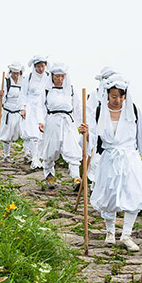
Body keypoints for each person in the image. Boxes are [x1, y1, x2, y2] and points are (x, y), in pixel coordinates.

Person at [80, 78, 142, 251]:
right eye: (113, 96)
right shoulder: (100, 110)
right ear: (107, 94)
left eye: (120, 97)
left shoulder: (134, 111)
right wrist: (85, 133)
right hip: (109, 157)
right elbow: (93, 138)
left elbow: (141, 135)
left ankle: (126, 235)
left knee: (133, 194)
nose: (117, 100)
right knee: (109, 195)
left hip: (129, 158)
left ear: (125, 96)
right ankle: (110, 232)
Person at [38, 62, 82, 192]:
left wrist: (80, 125)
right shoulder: (46, 90)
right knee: (51, 150)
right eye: (57, 76)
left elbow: (77, 108)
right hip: (52, 121)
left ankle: (76, 178)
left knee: (72, 149)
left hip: (68, 122)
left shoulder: (71, 90)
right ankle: (49, 175)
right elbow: (40, 107)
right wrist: (40, 121)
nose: (59, 79)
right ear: (52, 76)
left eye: (62, 76)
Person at [23, 55, 49, 169]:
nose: (41, 69)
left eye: (42, 66)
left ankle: (41, 158)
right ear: (34, 67)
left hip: (44, 108)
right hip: (31, 108)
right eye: (38, 67)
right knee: (34, 134)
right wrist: (22, 108)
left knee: (42, 135)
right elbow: (23, 93)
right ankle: (34, 159)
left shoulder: (49, 77)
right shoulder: (28, 78)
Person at [0, 63, 27, 159]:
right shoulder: (6, 82)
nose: (16, 75)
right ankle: (6, 155)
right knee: (7, 134)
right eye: (14, 73)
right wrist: (1, 96)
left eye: (17, 73)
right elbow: (2, 99)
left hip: (19, 111)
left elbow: (24, 96)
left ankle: (27, 154)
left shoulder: (23, 82)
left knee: (24, 132)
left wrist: (24, 108)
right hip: (8, 111)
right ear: (11, 72)